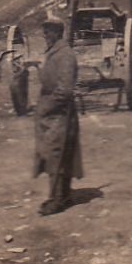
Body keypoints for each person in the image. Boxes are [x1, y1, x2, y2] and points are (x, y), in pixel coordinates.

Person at [33, 15, 83, 215]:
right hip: (52, 115)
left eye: (48, 31)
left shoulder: (65, 55)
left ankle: (58, 200)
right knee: (55, 155)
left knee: (57, 155)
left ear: (56, 32)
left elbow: (66, 90)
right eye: (44, 31)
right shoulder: (54, 52)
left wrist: (47, 107)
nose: (45, 35)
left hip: (60, 114)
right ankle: (62, 195)